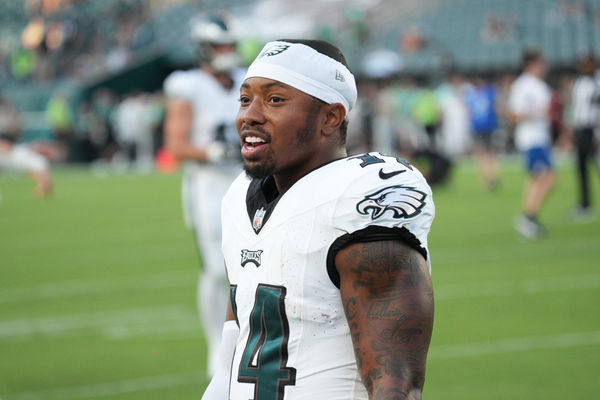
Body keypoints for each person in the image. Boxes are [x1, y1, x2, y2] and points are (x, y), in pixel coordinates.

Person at [202, 39, 435, 399]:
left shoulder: (357, 200)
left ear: (331, 117)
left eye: (275, 100)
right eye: (245, 99)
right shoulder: (239, 198)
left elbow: (395, 385)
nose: (250, 115)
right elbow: (237, 335)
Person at [162, 13, 244, 376]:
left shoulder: (247, 80)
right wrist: (211, 152)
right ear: (204, 49)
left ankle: (244, 342)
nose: (226, 52)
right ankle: (217, 348)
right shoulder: (187, 85)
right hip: (208, 186)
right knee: (215, 270)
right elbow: (175, 146)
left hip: (248, 183)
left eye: (229, 45)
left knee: (250, 267)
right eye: (219, 46)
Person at [508, 50, 556, 239]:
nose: (543, 66)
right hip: (531, 138)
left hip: (540, 137)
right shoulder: (523, 85)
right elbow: (514, 113)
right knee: (549, 177)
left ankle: (529, 216)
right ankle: (528, 216)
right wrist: (538, 113)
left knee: (538, 178)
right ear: (531, 64)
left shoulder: (538, 85)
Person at [570, 54, 599, 220]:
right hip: (580, 129)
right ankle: (585, 204)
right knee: (581, 168)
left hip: (593, 130)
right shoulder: (579, 82)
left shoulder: (597, 81)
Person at [464, 77, 500, 191]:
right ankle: (491, 175)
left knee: (481, 153)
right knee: (490, 152)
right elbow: (495, 108)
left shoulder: (471, 96)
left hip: (478, 127)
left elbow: (469, 112)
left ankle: (486, 177)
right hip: (488, 126)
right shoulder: (489, 93)